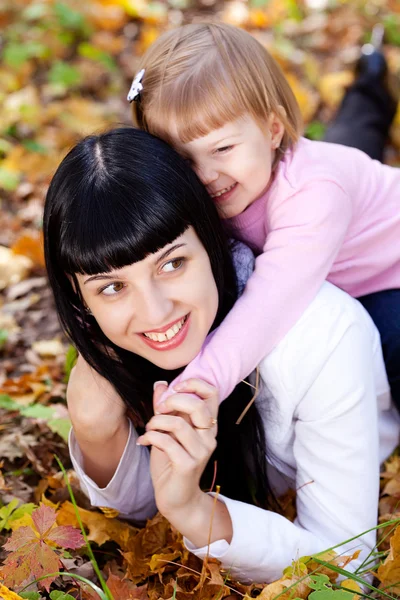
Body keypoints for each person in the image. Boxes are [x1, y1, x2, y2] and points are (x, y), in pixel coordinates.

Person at [44, 127, 400, 583]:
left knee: (334, 160)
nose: (156, 312)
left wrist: (197, 513)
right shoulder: (112, 344)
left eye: (173, 263)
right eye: (112, 287)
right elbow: (137, 511)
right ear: (78, 300)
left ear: (209, 240)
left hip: (383, 283)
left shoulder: (326, 335)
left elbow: (347, 569)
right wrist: (98, 437)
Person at [129, 22, 400, 412]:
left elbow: (269, 306)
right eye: (183, 159)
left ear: (273, 130)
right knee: (351, 136)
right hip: (334, 186)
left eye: (222, 148)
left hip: (384, 273)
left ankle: (373, 76)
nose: (205, 176)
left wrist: (202, 383)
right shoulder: (230, 173)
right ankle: (370, 81)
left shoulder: (315, 193)